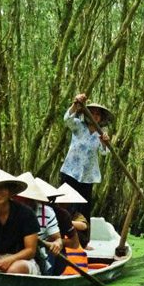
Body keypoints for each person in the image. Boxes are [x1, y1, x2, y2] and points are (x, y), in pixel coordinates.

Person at [59, 93, 114, 224]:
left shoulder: (101, 133)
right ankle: (63, 234)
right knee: (66, 205)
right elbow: (67, 119)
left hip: (88, 176)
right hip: (70, 172)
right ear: (86, 113)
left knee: (84, 207)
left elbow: (104, 152)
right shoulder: (78, 126)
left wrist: (105, 142)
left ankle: (84, 240)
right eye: (92, 112)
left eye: (97, 114)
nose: (94, 116)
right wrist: (75, 104)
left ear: (101, 118)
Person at [14, 172, 63, 275]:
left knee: (18, 267)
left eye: (25, 199)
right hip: (8, 255)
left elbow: (57, 239)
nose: (21, 201)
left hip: (36, 259)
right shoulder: (5, 210)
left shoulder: (47, 212)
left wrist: (56, 244)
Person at [56, 183, 91, 249]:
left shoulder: (75, 214)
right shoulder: (53, 212)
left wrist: (66, 222)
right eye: (61, 203)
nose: (64, 205)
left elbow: (83, 226)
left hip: (71, 242)